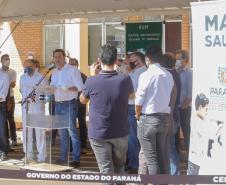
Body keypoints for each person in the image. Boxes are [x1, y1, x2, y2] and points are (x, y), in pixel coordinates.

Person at [80, 44, 134, 181]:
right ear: (116, 60)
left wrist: (91, 76)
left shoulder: (91, 80)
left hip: (99, 132)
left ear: (99, 60)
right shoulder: (125, 79)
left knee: (106, 171)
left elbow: (82, 100)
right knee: (120, 169)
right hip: (120, 132)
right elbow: (132, 95)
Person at [135, 46, 174, 175]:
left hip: (148, 118)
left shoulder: (146, 75)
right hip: (164, 119)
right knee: (162, 156)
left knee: (151, 159)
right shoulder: (168, 75)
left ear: (147, 59)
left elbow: (139, 101)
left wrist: (138, 115)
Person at [50, 49, 83, 168]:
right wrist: (50, 89)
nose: (57, 59)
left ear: (64, 58)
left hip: (69, 104)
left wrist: (67, 88)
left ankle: (76, 159)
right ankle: (63, 157)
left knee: (72, 132)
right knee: (62, 133)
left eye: (59, 57)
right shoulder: (53, 72)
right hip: (58, 104)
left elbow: (80, 87)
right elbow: (52, 86)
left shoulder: (73, 70)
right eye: (55, 57)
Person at [20, 59, 48, 162]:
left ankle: (41, 156)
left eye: (29, 66)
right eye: (25, 66)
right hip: (26, 109)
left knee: (39, 133)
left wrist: (39, 101)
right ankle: (28, 155)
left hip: (38, 110)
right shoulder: (22, 78)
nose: (27, 68)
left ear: (34, 66)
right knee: (27, 133)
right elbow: (22, 91)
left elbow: (47, 96)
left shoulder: (41, 78)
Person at [126, 51, 147, 173]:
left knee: (133, 138)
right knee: (130, 138)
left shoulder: (142, 72)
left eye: (132, 60)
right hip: (128, 107)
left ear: (139, 61)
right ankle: (132, 162)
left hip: (134, 107)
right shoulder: (134, 72)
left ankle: (135, 165)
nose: (130, 62)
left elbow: (136, 93)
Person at [161, 53, 181, 175]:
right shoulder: (174, 75)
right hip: (173, 115)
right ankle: (173, 174)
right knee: (170, 148)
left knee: (170, 148)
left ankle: (175, 176)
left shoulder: (168, 76)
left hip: (170, 116)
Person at [69, 58, 88, 153]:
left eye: (74, 64)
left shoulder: (83, 76)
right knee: (70, 125)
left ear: (77, 65)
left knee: (82, 124)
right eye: (70, 64)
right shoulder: (67, 75)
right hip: (69, 103)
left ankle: (83, 144)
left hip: (80, 104)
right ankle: (71, 146)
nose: (72, 66)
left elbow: (86, 90)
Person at [175, 49, 192, 149]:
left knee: (186, 131)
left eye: (179, 59)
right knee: (175, 133)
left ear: (185, 60)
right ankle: (178, 154)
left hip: (184, 108)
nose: (177, 61)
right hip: (175, 108)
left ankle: (190, 153)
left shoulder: (189, 73)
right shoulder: (176, 72)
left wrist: (183, 106)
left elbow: (190, 93)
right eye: (176, 59)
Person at [1, 54, 17, 147]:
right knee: (3, 120)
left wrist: (6, 83)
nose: (7, 61)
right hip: (1, 98)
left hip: (10, 97)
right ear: (1, 61)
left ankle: (14, 138)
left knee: (10, 118)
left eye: (8, 59)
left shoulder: (12, 72)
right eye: (5, 59)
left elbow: (13, 85)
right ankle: (5, 140)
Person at [0, 68, 10, 161]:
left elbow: (4, 93)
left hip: (0, 104)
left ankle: (3, 151)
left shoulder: (5, 76)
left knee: (1, 130)